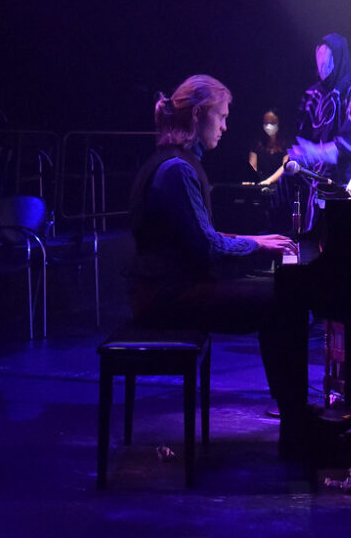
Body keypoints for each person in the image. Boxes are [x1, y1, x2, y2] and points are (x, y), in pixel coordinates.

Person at [127, 75, 335, 459]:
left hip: (170, 287)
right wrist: (257, 244)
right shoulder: (177, 170)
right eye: (220, 116)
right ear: (199, 115)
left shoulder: (180, 164)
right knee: (281, 303)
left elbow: (199, 233)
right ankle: (297, 427)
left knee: (279, 295)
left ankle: (295, 418)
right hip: (167, 295)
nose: (224, 125)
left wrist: (257, 246)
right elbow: (206, 246)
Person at [284, 34, 351, 229]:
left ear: (338, 60)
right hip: (316, 194)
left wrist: (315, 152)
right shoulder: (313, 94)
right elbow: (301, 138)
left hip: (348, 193)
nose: (322, 69)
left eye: (326, 63)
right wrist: (298, 156)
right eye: (319, 63)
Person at [248, 109, 289, 187]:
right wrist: (251, 179)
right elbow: (252, 165)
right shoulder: (257, 144)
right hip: (260, 184)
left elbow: (285, 166)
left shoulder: (286, 144)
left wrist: (269, 180)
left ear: (279, 123)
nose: (269, 126)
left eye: (272, 122)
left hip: (280, 186)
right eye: (266, 123)